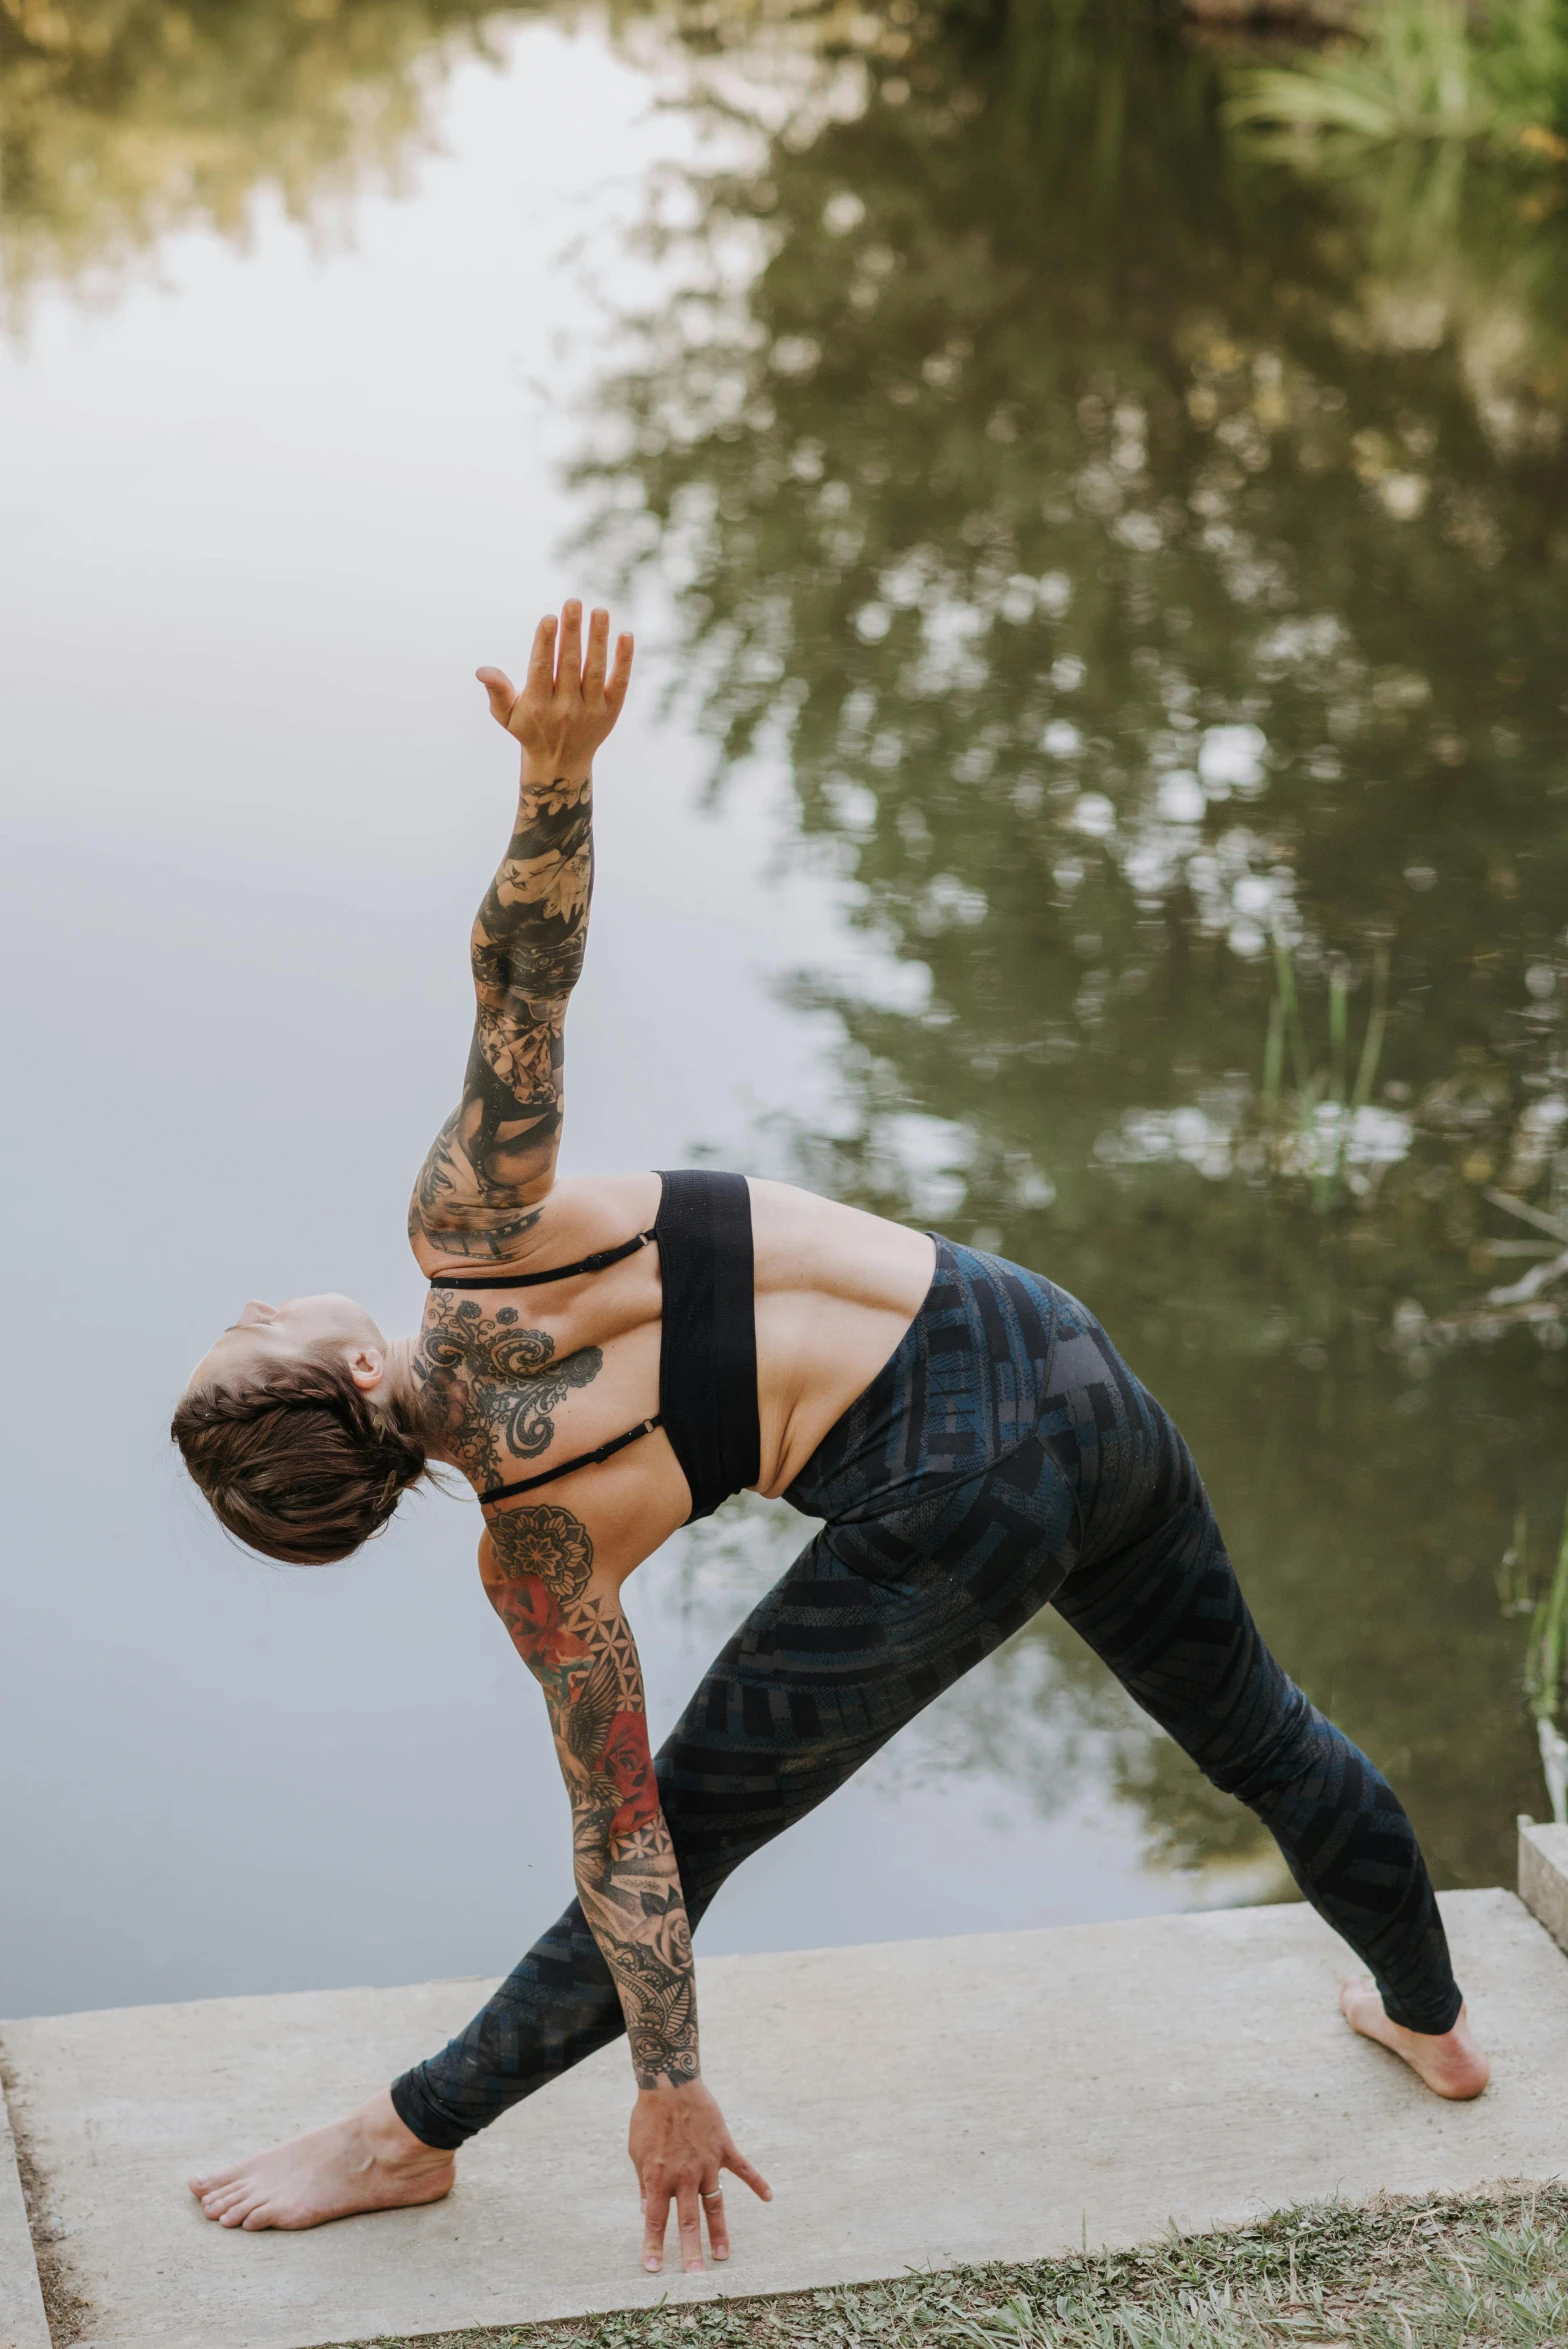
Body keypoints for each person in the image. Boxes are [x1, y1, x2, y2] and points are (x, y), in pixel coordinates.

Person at [174, 599, 1489, 2271]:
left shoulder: (540, 1551)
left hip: (965, 1495)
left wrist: (673, 2075)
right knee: (1254, 1722)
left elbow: (630, 1844)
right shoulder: (476, 1228)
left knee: (692, 1820)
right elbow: (524, 978)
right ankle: (1434, 2022)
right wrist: (558, 781)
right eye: (250, 1334)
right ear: (349, 1372)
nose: (249, 1299)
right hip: (1049, 1342)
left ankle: (404, 2136)